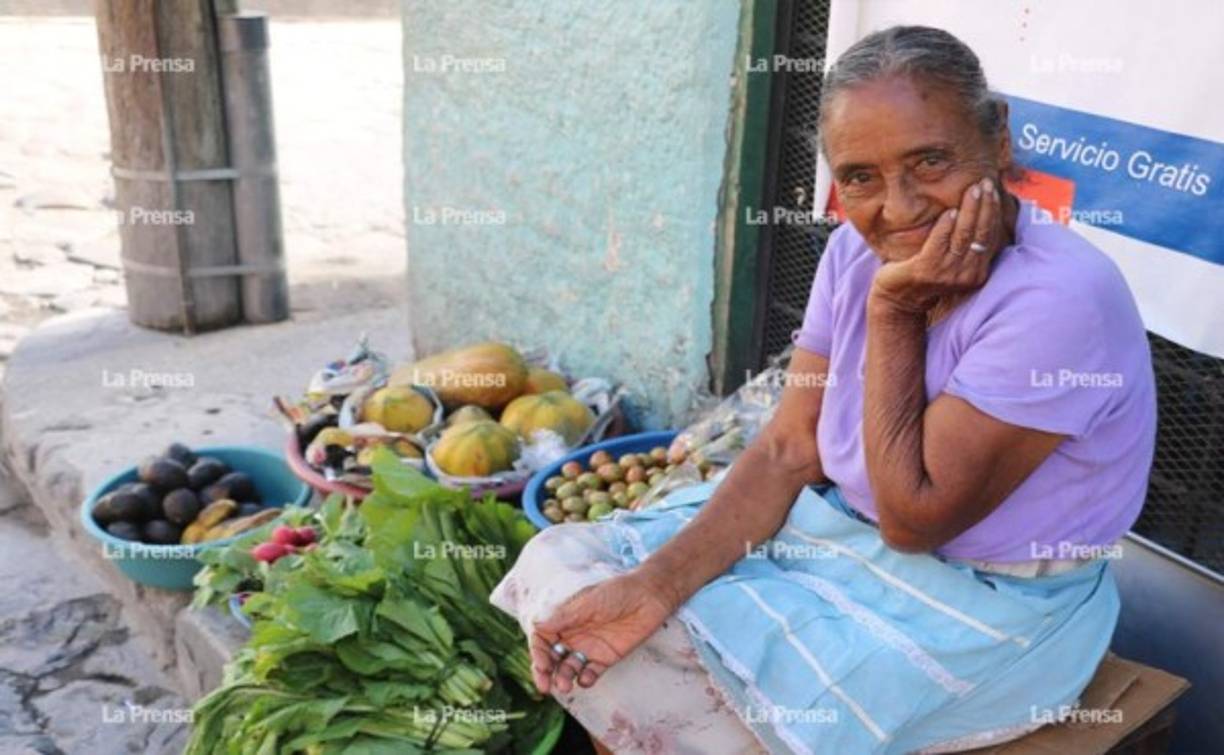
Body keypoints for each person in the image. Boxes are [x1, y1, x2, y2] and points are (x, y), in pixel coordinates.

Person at [492, 25, 1156, 755]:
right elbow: (786, 446)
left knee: (696, 684)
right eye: (862, 177)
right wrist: (656, 585)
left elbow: (914, 519)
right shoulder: (851, 249)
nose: (899, 208)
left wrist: (896, 312)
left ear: (998, 140)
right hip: (838, 535)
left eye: (930, 161)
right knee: (568, 575)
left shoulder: (1059, 300)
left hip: (982, 607)